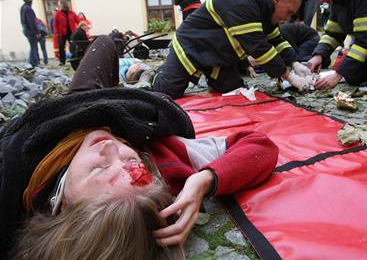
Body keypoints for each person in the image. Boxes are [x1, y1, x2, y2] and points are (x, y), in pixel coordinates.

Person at [0, 35, 278, 259]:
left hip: (74, 107)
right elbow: (261, 146)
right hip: (122, 109)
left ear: (61, 206)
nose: (110, 147)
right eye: (134, 165)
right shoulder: (161, 161)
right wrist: (204, 180)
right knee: (110, 46)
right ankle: (139, 78)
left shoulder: (12, 184)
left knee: (105, 44)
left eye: (98, 168)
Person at [153, 0, 311, 99]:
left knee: (234, 90)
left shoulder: (265, 8)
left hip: (216, 56)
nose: (288, 18)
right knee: (166, 92)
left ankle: (212, 79)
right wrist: (289, 77)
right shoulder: (246, 4)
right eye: (289, 12)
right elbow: (260, 49)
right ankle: (155, 74)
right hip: (191, 47)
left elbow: (277, 39)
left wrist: (295, 62)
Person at [54, 0, 80, 65]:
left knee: (73, 46)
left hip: (71, 33)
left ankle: (74, 59)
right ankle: (62, 61)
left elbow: (78, 21)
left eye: (60, 5)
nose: (59, 6)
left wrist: (81, 28)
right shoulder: (58, 14)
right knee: (61, 47)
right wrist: (56, 32)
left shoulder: (72, 13)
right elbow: (55, 24)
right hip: (62, 33)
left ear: (64, 6)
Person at [19, 0, 39, 67]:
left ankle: (32, 62)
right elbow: (32, 22)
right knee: (33, 46)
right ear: (30, 1)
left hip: (25, 28)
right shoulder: (28, 9)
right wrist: (37, 31)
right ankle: (33, 63)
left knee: (32, 45)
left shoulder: (23, 7)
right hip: (30, 30)